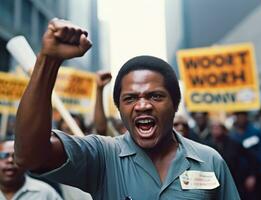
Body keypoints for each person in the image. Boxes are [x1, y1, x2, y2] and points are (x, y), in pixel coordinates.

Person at [14, 19, 240, 199]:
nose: (142, 105)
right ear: (120, 109)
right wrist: (48, 61)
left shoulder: (210, 161)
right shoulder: (102, 156)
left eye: (155, 96)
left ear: (175, 103)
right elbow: (29, 157)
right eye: (130, 98)